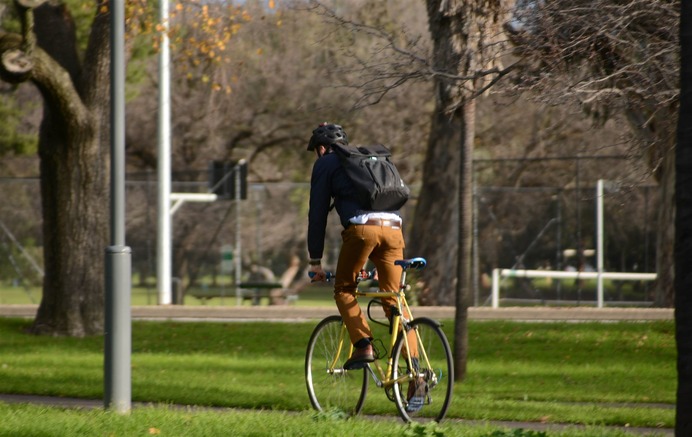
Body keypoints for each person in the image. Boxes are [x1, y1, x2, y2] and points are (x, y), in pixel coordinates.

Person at [305, 122, 417, 370]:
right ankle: (416, 373)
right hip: (394, 229)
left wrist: (315, 261)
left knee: (344, 289)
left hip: (363, 231)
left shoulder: (325, 163)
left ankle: (364, 345)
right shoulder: (365, 161)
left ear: (322, 149)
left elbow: (317, 214)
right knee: (393, 300)